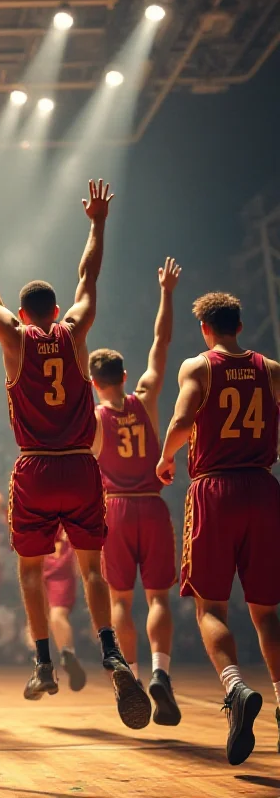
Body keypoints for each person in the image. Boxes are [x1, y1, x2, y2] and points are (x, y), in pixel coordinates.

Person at [0, 184, 151, 730]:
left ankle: (43, 664)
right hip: (82, 465)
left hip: (35, 466)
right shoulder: (77, 331)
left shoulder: (13, 338)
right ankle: (110, 652)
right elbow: (90, 277)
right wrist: (98, 222)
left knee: (31, 573)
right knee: (91, 569)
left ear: (21, 313)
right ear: (58, 312)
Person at [157, 291, 280, 765]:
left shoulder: (199, 366)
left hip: (215, 490)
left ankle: (235, 688)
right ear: (241, 326)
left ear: (205, 329)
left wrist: (166, 458)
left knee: (211, 607)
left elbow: (183, 417)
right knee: (267, 614)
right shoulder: (270, 369)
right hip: (264, 490)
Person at [90, 258, 182, 726]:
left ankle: (130, 675)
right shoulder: (145, 396)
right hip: (153, 506)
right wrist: (166, 292)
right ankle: (162, 673)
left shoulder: (94, 421)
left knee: (121, 602)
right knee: (160, 598)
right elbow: (161, 343)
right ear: (126, 376)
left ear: (94, 382)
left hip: (116, 512)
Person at [42, 528, 86, 691]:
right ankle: (63, 655)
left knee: (54, 617)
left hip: (59, 572)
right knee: (47, 619)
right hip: (44, 570)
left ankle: (63, 658)